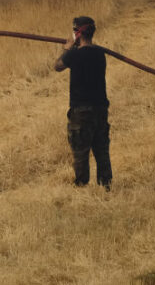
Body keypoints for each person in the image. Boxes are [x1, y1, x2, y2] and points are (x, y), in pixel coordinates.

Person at [54, 16, 112, 189]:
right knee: (101, 149)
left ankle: (81, 185)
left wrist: (67, 48)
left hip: (81, 110)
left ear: (77, 33)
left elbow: (57, 66)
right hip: (100, 108)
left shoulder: (74, 54)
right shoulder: (100, 53)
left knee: (80, 150)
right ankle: (106, 185)